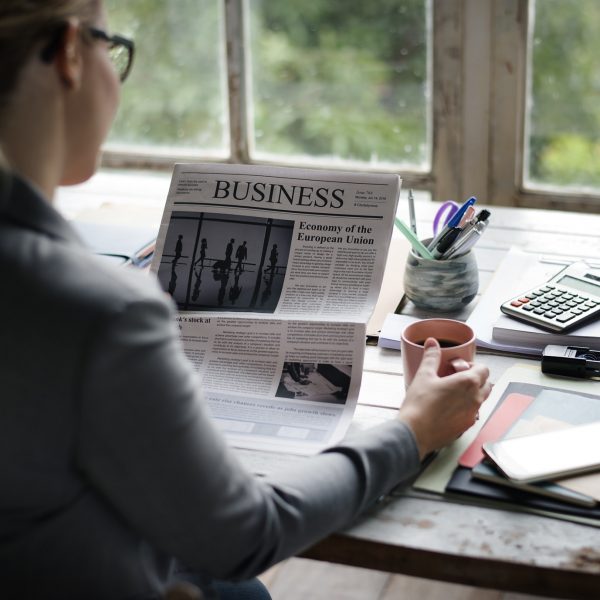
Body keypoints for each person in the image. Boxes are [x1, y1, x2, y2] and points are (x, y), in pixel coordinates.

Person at [0, 1, 492, 599]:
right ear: (72, 54)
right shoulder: (102, 312)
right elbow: (245, 535)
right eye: (114, 47)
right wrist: (411, 430)